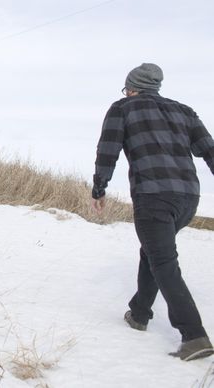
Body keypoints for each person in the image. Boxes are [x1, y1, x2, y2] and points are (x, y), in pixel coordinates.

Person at [92, 63, 214, 361]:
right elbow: (209, 149)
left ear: (131, 87)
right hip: (188, 198)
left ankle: (194, 336)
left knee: (163, 261)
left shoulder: (123, 109)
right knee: (153, 251)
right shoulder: (184, 110)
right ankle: (140, 314)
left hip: (153, 196)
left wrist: (99, 188)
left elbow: (108, 150)